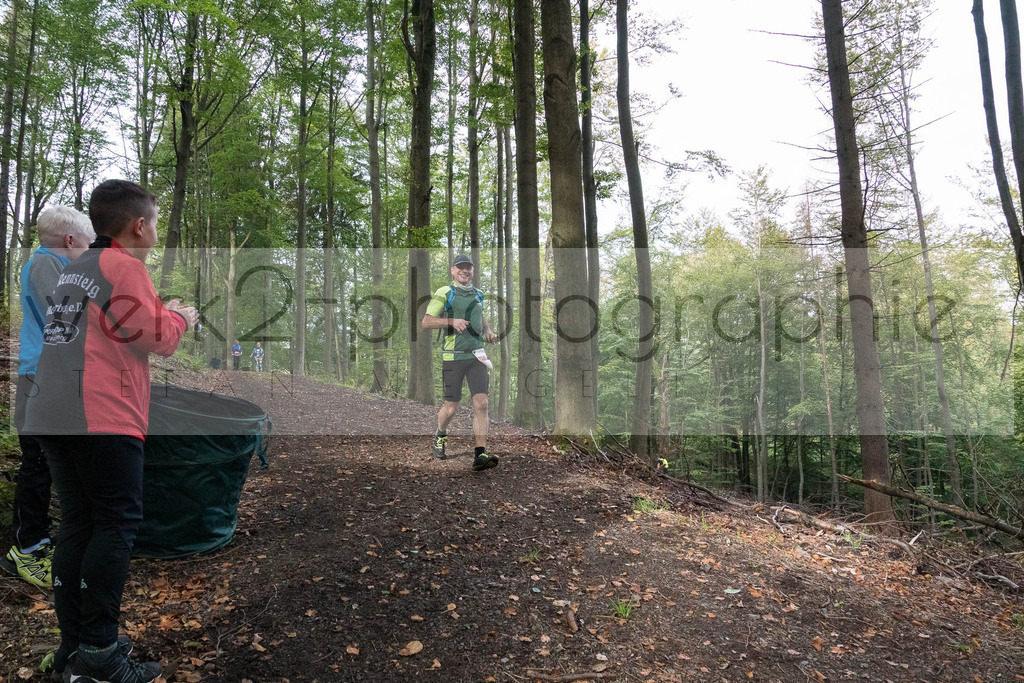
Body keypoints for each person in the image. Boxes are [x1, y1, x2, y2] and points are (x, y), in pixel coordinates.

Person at [24, 179, 198, 683]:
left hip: (51, 410)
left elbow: (113, 326)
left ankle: (75, 649)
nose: (156, 232)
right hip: (98, 412)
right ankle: (99, 654)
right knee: (116, 524)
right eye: (155, 222)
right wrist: (181, 317)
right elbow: (156, 336)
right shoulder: (122, 267)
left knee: (79, 523)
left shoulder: (76, 267)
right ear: (139, 225)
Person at [1, 207, 94, 591]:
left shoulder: (56, 265)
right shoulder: (45, 264)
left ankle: (40, 541)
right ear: (70, 241)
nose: (89, 252)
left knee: (49, 461)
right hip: (38, 376)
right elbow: (68, 316)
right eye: (87, 245)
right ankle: (26, 549)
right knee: (38, 463)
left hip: (50, 375)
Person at [421, 254, 499, 471]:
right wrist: (451, 321)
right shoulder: (445, 292)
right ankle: (440, 434)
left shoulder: (478, 294)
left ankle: (480, 454)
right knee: (451, 408)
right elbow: (426, 322)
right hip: (453, 356)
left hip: (477, 356)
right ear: (453, 270)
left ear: (472, 271)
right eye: (460, 267)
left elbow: (480, 315)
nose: (465, 270)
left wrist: (488, 331)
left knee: (482, 403)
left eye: (468, 267)